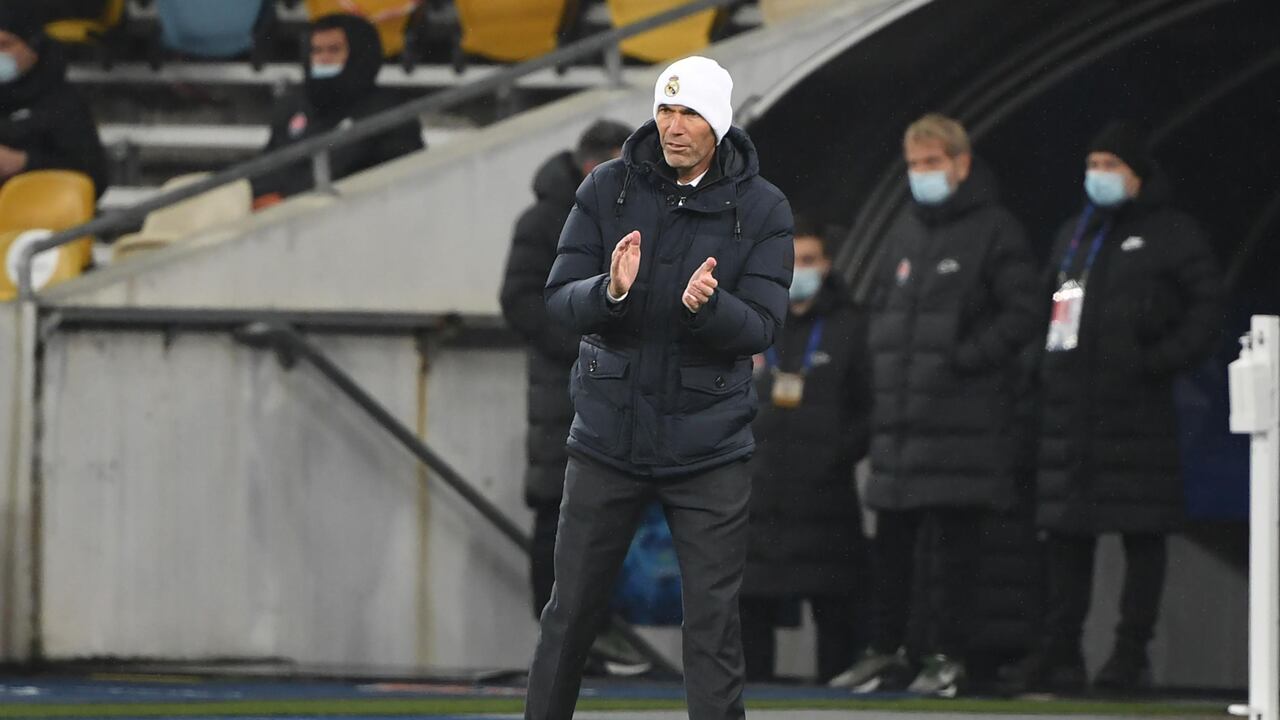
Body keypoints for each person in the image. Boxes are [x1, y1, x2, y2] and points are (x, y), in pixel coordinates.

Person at [525, 56, 794, 720]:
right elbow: (559, 298)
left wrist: (711, 307)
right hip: (608, 437)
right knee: (570, 612)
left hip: (710, 447)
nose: (673, 127)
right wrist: (609, 291)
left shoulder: (764, 206)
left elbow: (763, 325)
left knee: (712, 623)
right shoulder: (605, 187)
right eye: (665, 111)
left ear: (719, 123)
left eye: (690, 113)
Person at [832, 114, 1039, 697]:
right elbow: (880, 311)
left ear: (960, 164)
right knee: (891, 548)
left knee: (953, 553)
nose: (921, 174)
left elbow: (1025, 312)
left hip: (961, 425)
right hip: (900, 425)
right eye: (914, 165)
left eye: (931, 163)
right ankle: (886, 650)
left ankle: (947, 656)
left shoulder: (996, 230)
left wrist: (965, 359)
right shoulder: (903, 230)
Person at [1019, 121, 1223, 693]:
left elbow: (1206, 308)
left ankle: (1129, 656)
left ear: (1137, 174)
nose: (1099, 175)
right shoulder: (1075, 235)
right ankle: (1061, 653)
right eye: (1093, 164)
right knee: (1066, 536)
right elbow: (1046, 306)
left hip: (1138, 413)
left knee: (1142, 532)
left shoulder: (1172, 234)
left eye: (1111, 165)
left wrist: (1157, 361)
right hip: (1069, 415)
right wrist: (1040, 366)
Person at [498, 118, 640, 674]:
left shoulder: (629, 215)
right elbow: (520, 300)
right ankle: (561, 641)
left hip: (619, 388)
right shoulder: (545, 221)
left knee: (609, 513)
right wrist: (584, 341)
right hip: (565, 391)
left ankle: (599, 633)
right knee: (558, 509)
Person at [739, 216, 871, 684]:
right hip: (757, 500)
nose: (799, 270)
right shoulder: (753, 321)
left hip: (825, 501)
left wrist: (835, 456)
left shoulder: (852, 326)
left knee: (836, 624)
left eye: (809, 260)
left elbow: (869, 408)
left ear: (827, 264)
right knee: (749, 627)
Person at [252, 13, 423, 204]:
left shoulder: (389, 111)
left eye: (334, 50)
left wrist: (284, 198)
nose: (323, 58)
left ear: (358, 54)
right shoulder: (293, 104)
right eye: (316, 51)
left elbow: (390, 178)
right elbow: (269, 163)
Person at [0, 2, 108, 196]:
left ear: (33, 47)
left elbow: (94, 176)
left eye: (4, 45)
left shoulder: (63, 103)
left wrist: (24, 162)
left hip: (42, 208)